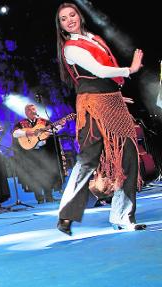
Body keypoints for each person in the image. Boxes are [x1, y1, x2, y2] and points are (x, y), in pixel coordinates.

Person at [55, 3, 145, 235]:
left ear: (80, 15)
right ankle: (67, 213)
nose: (69, 20)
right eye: (64, 19)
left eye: (72, 15)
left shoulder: (93, 38)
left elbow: (105, 75)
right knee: (89, 158)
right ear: (61, 25)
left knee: (128, 156)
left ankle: (123, 216)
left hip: (111, 100)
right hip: (93, 104)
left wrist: (116, 96)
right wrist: (130, 69)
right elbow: (99, 70)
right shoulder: (70, 47)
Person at [12, 104, 65, 204]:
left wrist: (61, 125)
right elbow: (15, 133)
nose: (31, 111)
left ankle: (48, 196)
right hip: (30, 154)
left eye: (33, 109)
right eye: (29, 109)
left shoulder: (43, 121)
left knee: (46, 173)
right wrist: (27, 133)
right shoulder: (21, 123)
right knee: (34, 175)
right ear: (26, 112)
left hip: (44, 151)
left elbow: (52, 131)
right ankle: (39, 198)